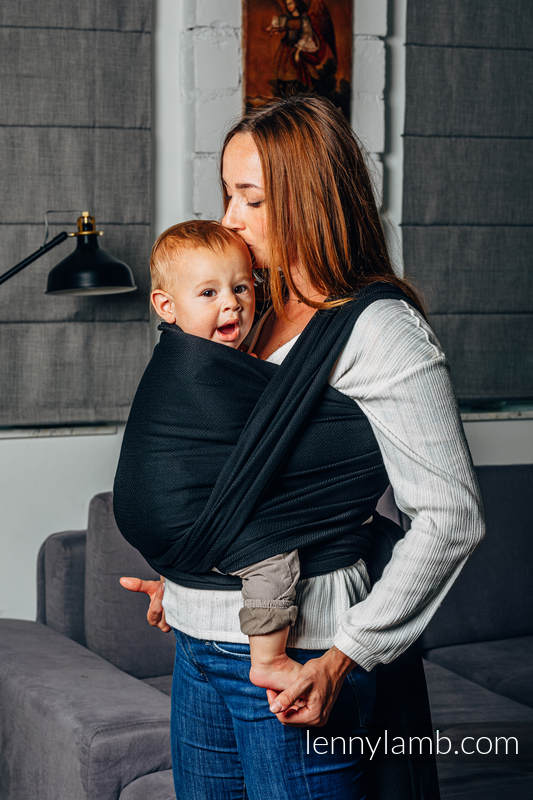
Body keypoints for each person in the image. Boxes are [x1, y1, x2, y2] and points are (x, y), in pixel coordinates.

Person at [119, 94, 486, 799]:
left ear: (309, 202)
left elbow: (449, 517)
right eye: (228, 195)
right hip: (197, 643)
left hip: (302, 654)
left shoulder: (380, 331)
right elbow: (231, 479)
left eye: (251, 199)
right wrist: (189, 569)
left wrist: (346, 657)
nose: (230, 218)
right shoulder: (244, 312)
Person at [120, 218, 307, 702]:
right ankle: (270, 659)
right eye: (209, 293)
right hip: (179, 515)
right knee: (273, 554)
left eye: (242, 287)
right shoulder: (194, 367)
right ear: (167, 306)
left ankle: (179, 581)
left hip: (167, 527)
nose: (232, 303)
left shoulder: (224, 358)